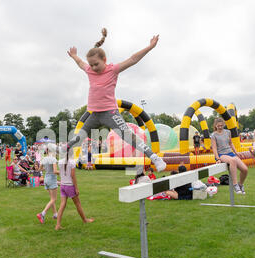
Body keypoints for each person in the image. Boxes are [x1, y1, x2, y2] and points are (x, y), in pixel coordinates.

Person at [66, 28, 166, 172]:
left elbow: (132, 59)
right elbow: (80, 63)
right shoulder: (89, 70)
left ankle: (155, 158)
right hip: (94, 114)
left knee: (129, 137)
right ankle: (63, 150)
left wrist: (150, 47)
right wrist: (74, 56)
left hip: (110, 113)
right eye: (91, 65)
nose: (93, 68)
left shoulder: (113, 70)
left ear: (104, 60)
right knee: (79, 137)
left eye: (96, 64)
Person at [55, 149, 94, 230]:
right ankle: (85, 220)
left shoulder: (60, 161)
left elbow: (62, 173)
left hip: (63, 186)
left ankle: (58, 225)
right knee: (78, 204)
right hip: (69, 186)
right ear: (71, 154)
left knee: (62, 205)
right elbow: (73, 176)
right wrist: (76, 188)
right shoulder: (72, 162)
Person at [211, 117, 248, 194]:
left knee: (245, 169)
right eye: (218, 126)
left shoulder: (228, 132)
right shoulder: (214, 135)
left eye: (221, 125)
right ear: (215, 125)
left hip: (230, 153)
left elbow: (231, 143)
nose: (220, 127)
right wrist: (217, 158)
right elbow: (214, 148)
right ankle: (235, 184)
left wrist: (236, 153)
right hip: (221, 154)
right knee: (233, 160)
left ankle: (240, 184)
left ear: (224, 124)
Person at [36, 144, 59, 224]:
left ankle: (55, 214)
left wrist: (45, 168)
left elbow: (39, 169)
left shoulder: (44, 159)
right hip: (51, 179)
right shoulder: (53, 159)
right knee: (54, 199)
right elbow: (55, 171)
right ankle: (42, 214)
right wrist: (62, 173)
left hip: (46, 179)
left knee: (51, 199)